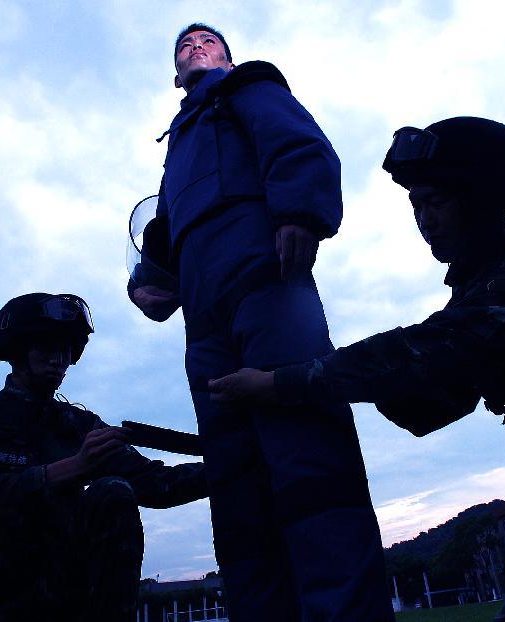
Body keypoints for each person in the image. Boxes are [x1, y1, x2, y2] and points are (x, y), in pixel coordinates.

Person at [208, 116, 505, 621]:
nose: (424, 219)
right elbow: (426, 398)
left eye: (435, 202)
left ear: (479, 202)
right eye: (416, 205)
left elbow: (435, 349)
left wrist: (284, 382)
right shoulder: (480, 298)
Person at [128, 23, 392, 621]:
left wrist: (300, 210)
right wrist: (152, 280)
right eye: (184, 47)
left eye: (206, 42)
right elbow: (166, 226)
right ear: (175, 75)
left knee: (304, 443)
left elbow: (298, 142)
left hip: (264, 279)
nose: (195, 48)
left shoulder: (247, 87)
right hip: (204, 319)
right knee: (234, 473)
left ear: (227, 57)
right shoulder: (178, 147)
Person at [0, 293, 209, 622]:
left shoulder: (80, 427)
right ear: (18, 351)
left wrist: (232, 465)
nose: (58, 359)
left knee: (113, 492)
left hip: (59, 591)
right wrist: (69, 469)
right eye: (46, 347)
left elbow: (158, 484)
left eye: (66, 349)